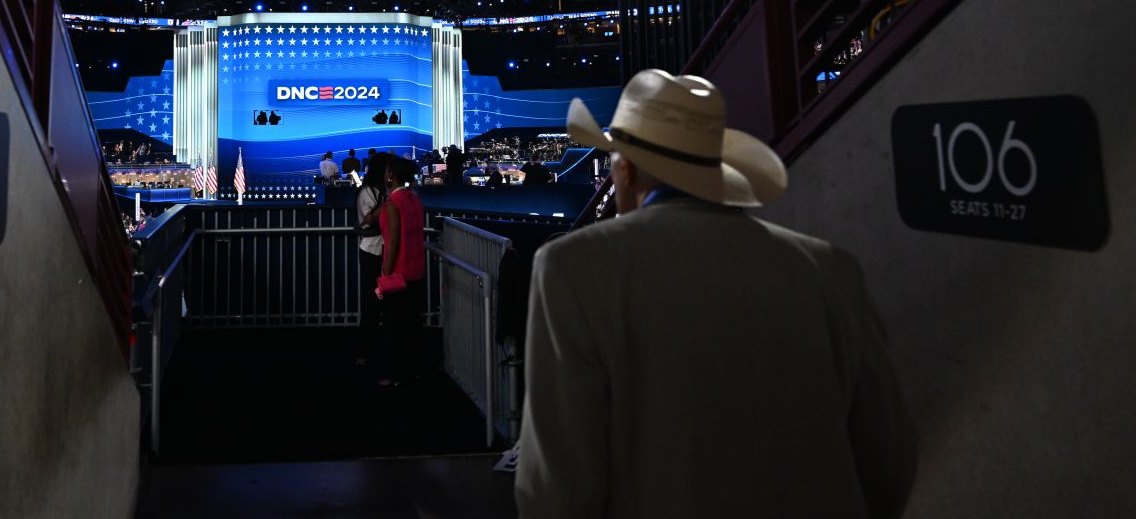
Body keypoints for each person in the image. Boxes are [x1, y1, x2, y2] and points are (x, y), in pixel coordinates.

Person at [515, 70, 917, 518]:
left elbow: (557, 485)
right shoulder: (830, 268)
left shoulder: (575, 268)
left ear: (625, 169)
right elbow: (889, 458)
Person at [376, 157, 427, 387]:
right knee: (413, 325)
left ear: (390, 176)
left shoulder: (392, 204)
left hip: (399, 275)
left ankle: (397, 376)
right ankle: (415, 371)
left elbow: (393, 241)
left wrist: (385, 275)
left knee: (395, 327)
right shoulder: (414, 199)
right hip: (417, 271)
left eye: (387, 172)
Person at [354, 153, 390, 368]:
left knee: (385, 302)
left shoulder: (380, 192)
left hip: (384, 251)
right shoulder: (368, 192)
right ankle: (365, 351)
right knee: (370, 302)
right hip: (371, 252)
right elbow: (367, 221)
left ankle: (380, 349)